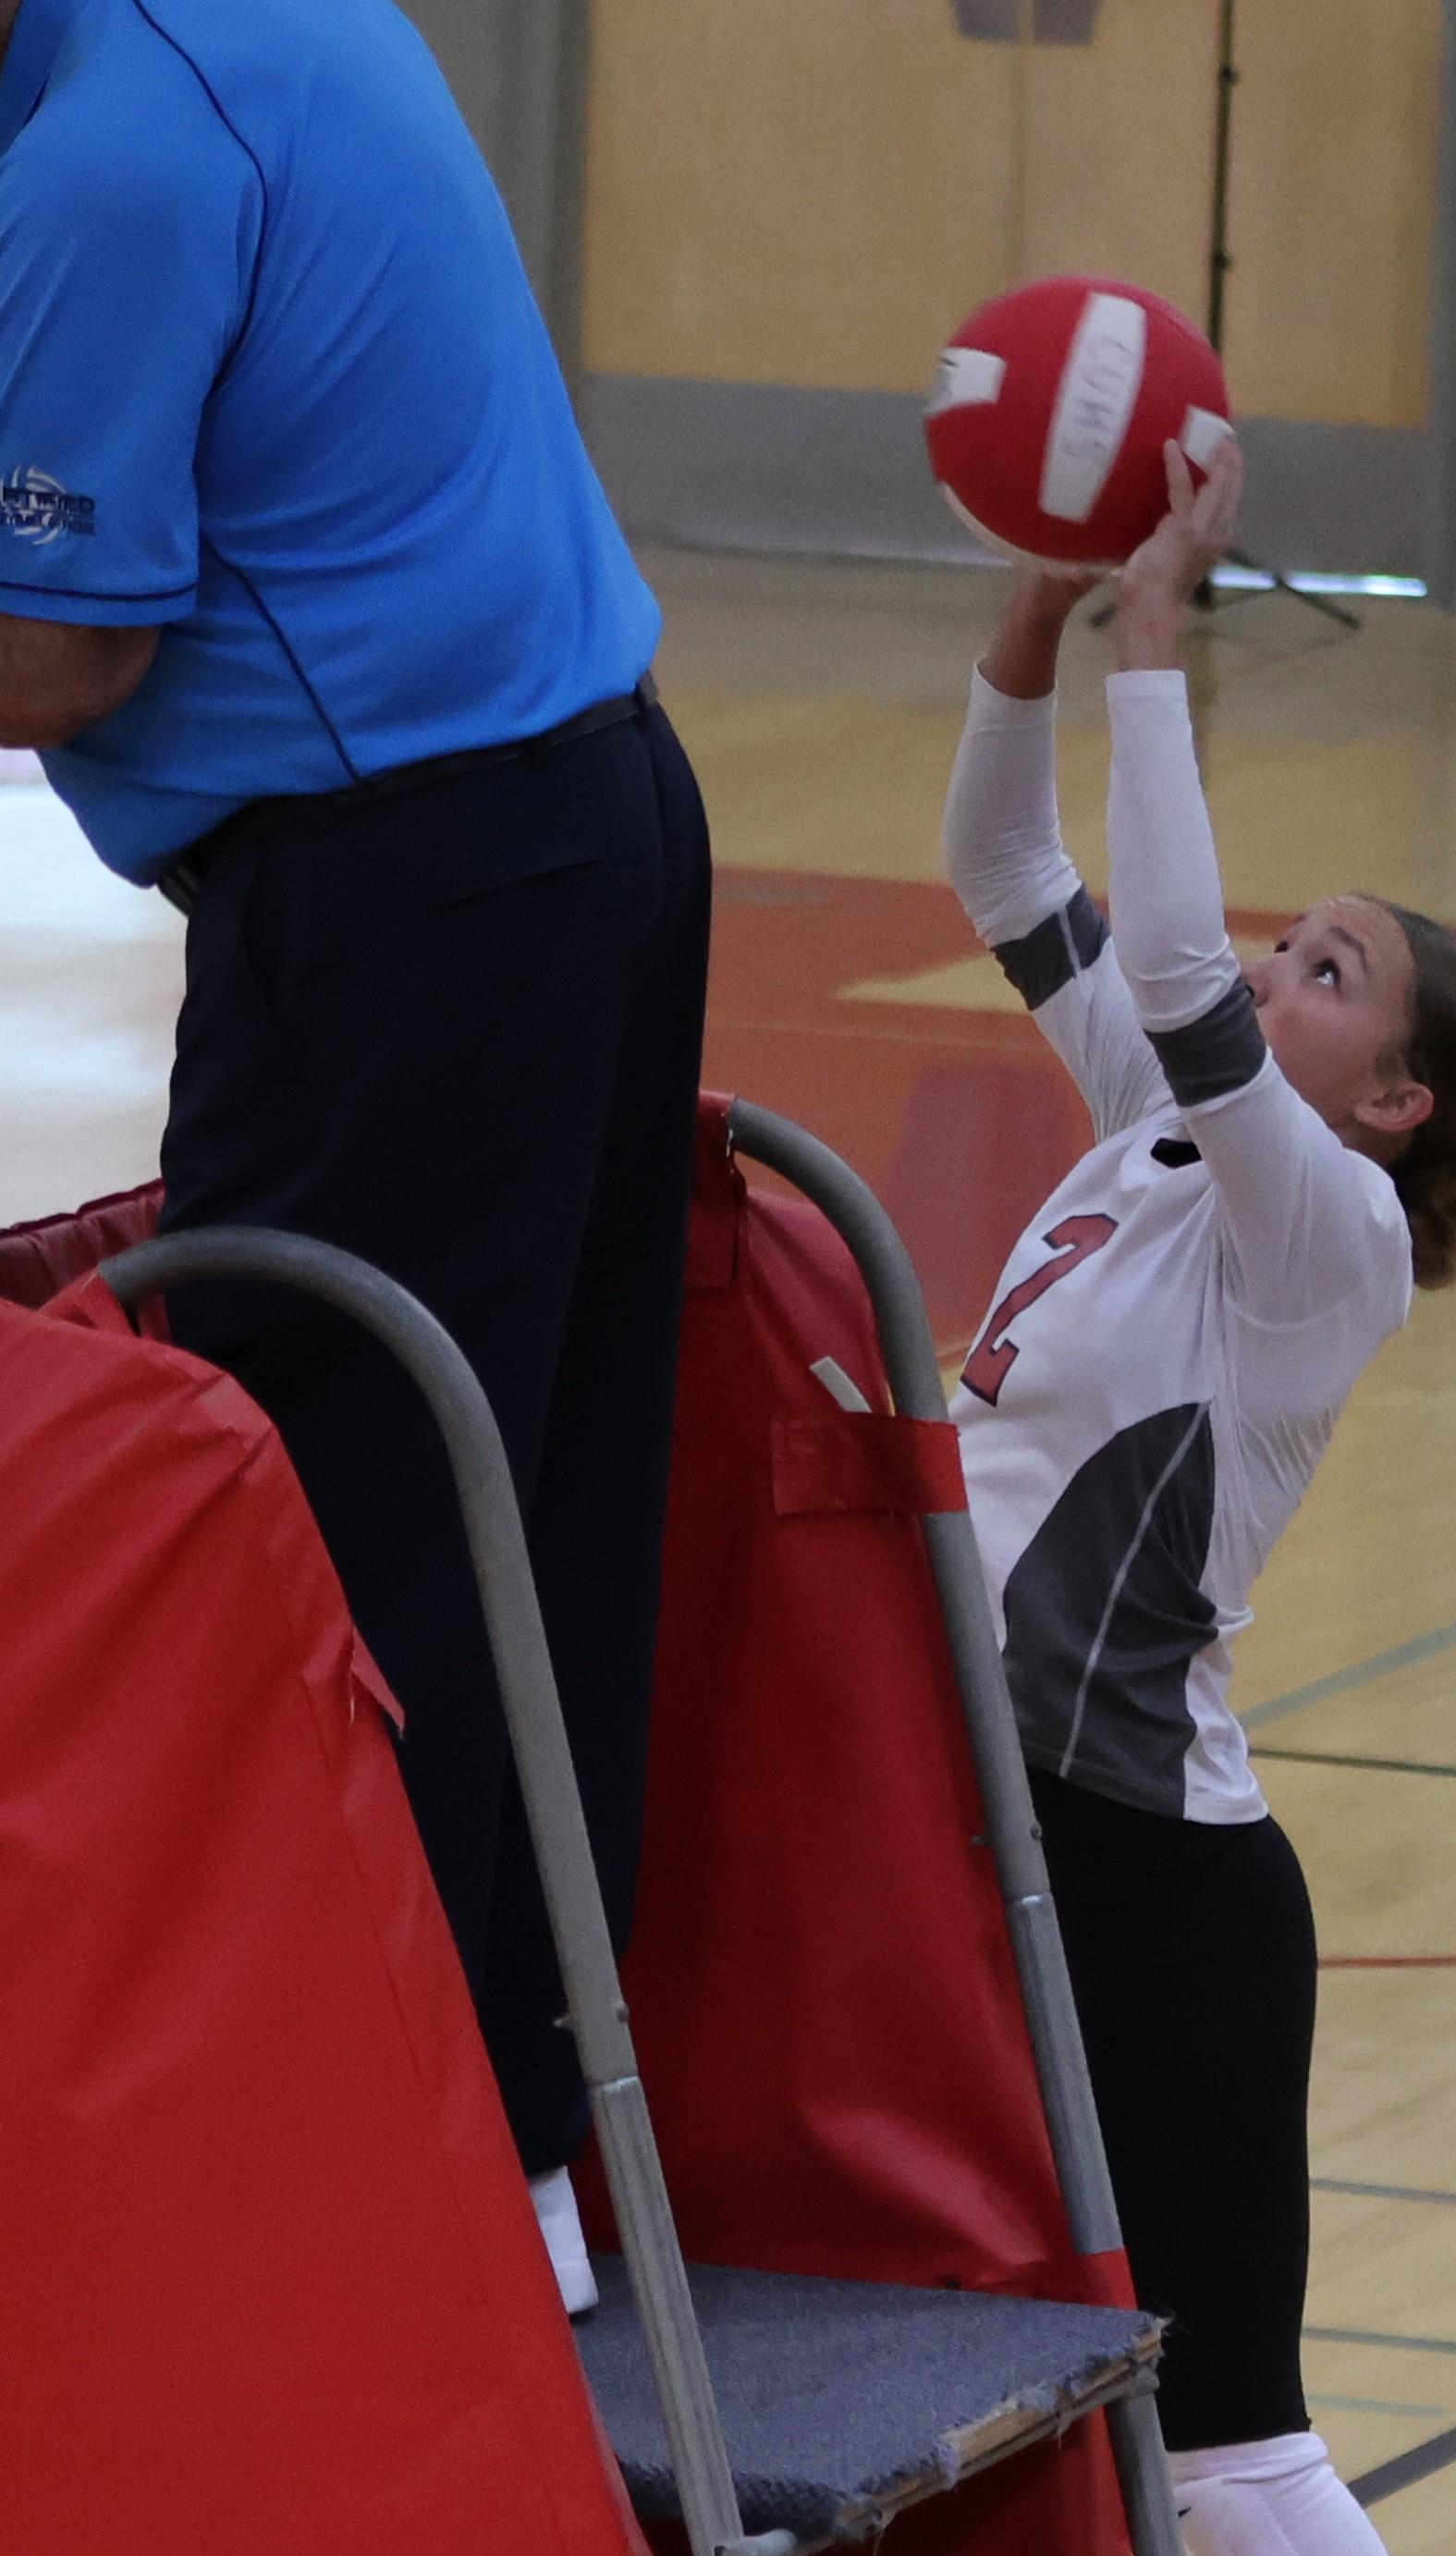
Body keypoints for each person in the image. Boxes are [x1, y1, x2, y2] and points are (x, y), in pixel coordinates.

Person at [943, 437, 1456, 2556]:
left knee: (1241, 2450)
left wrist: (1165, 635)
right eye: (1290, 940)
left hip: (1159, 1888)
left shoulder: (1326, 1242)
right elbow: (1012, 871)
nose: (1270, 963)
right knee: (1027, 2423)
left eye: (1330, 970)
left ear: (1387, 1095)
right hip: (986, 1843)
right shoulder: (1165, 1143)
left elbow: (1168, 959)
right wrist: (1033, 625)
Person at [0, 0, 709, 2312]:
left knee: (317, 1547)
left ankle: (373, 2204)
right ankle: (527, 2159)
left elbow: (60, 656)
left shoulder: (119, 157)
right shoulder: (271, 16)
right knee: (529, 1524)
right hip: (594, 820)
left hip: (408, 893)